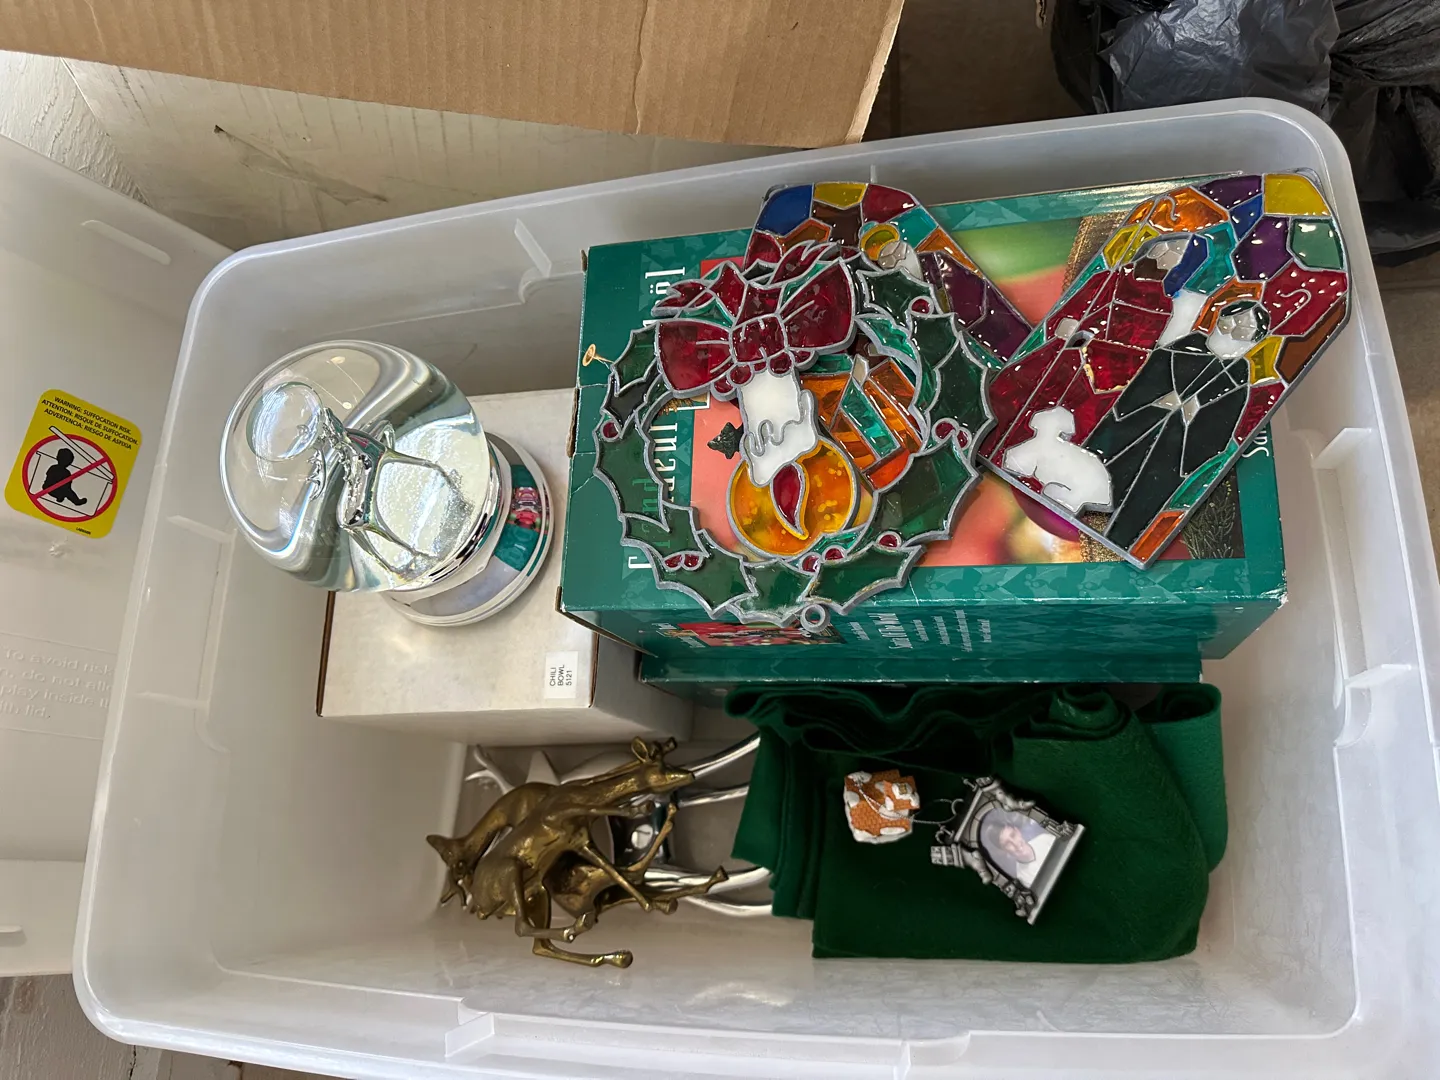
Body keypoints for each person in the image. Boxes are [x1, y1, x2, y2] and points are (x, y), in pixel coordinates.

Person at [1082, 298, 1269, 548]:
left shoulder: (1238, 378)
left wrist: (1192, 414)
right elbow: (1139, 388)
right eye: (1229, 323)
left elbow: (1218, 435)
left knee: (1141, 503)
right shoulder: (1182, 348)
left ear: (1253, 341)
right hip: (1131, 430)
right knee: (1097, 476)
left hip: (1172, 454)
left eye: (1244, 330)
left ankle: (1120, 538)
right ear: (1219, 321)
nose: (1232, 331)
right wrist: (1158, 402)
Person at [979, 808, 1055, 887]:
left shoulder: (1045, 839)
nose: (1015, 844)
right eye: (1007, 843)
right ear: (1004, 850)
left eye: (1013, 835)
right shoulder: (1023, 878)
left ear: (1017, 831)